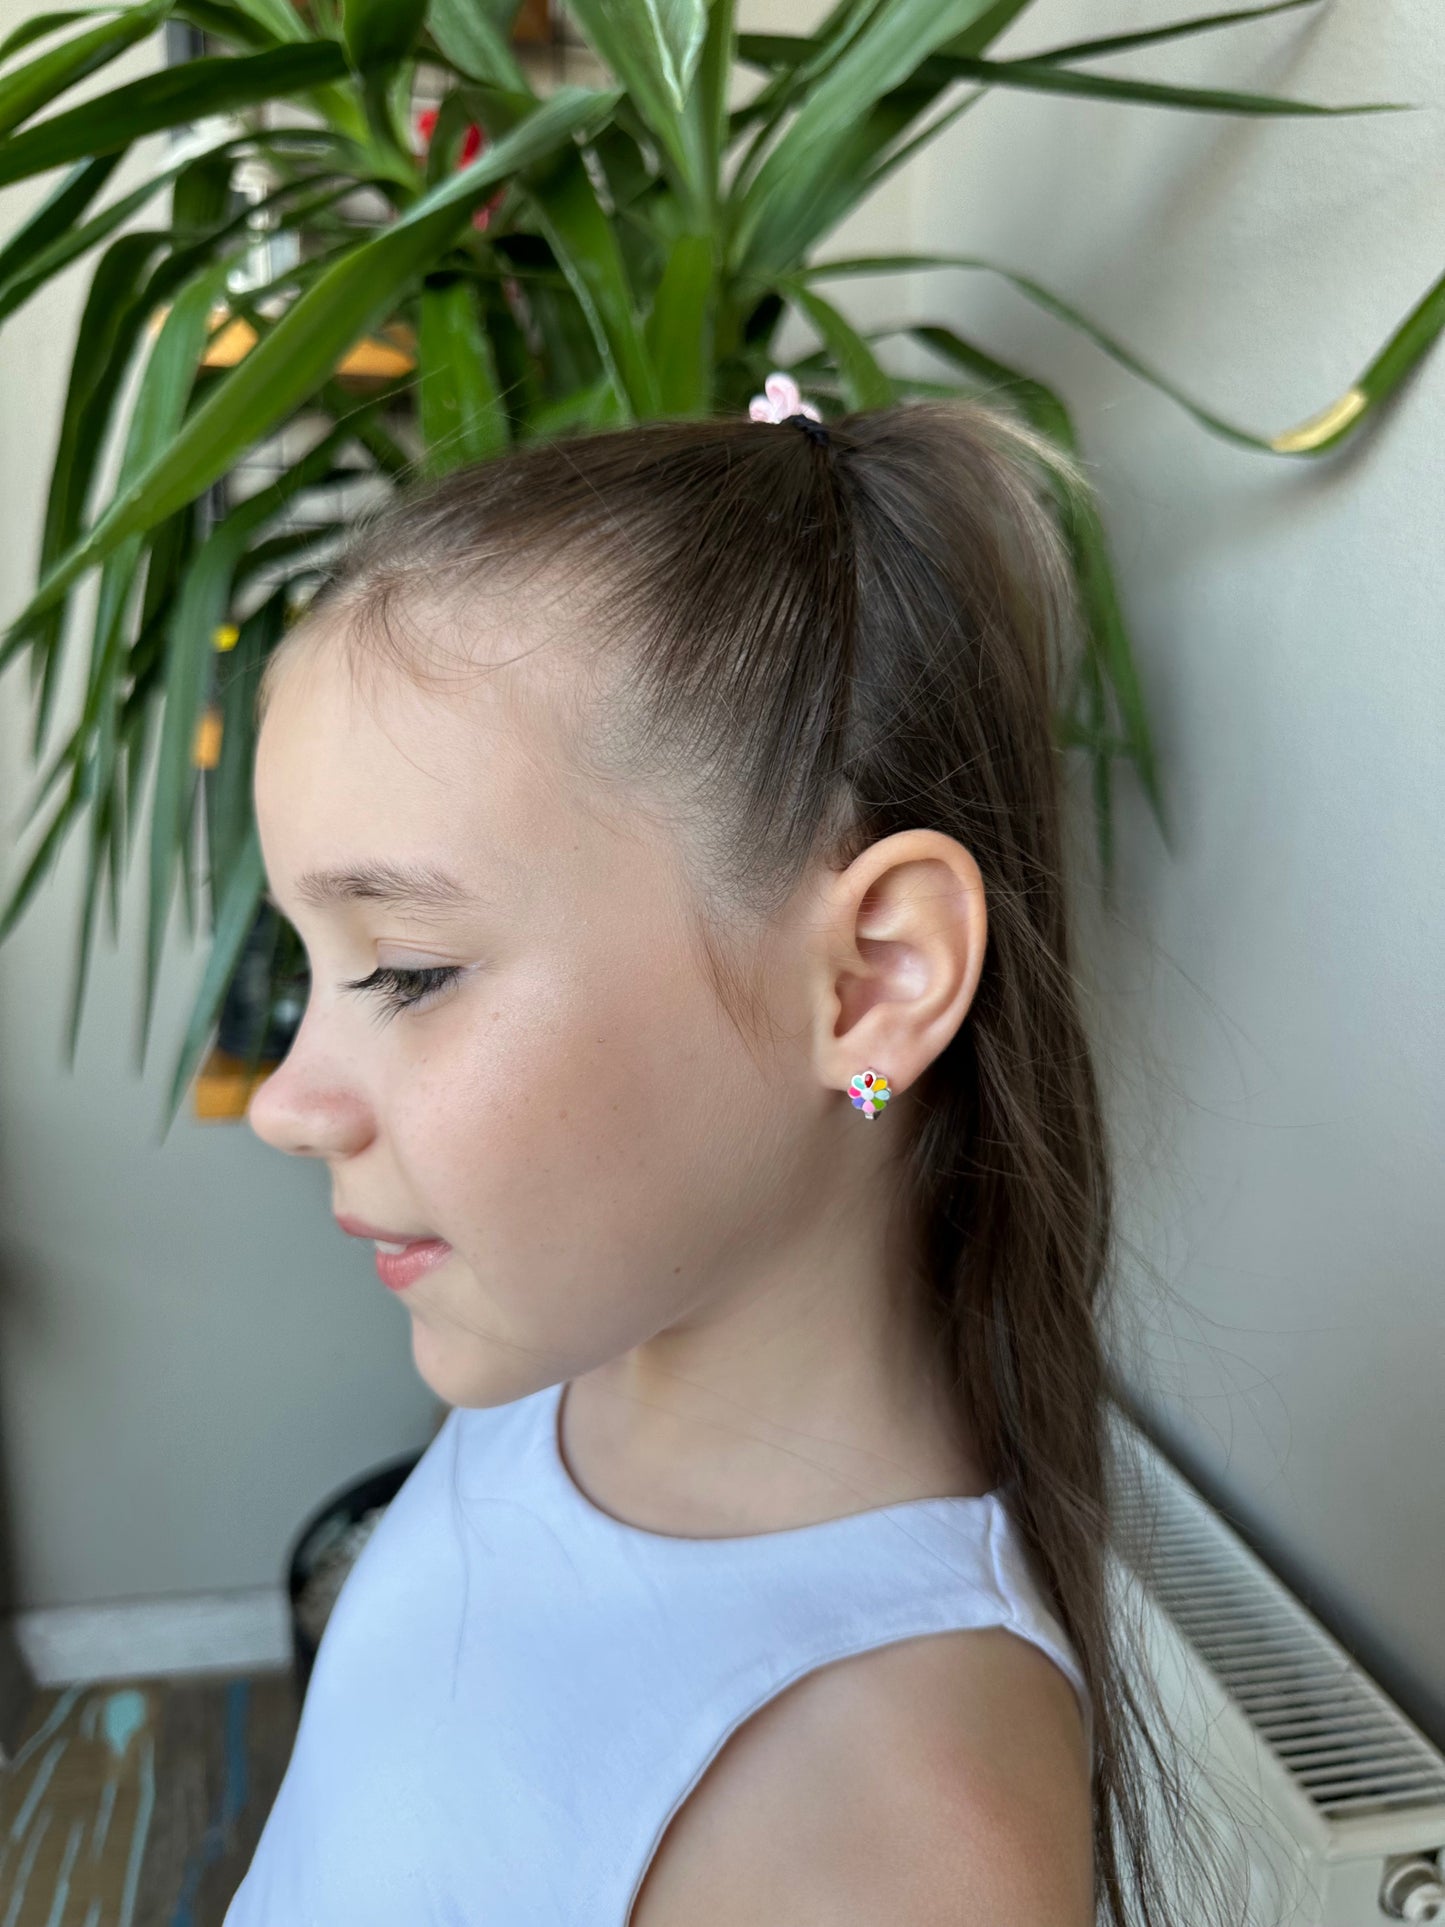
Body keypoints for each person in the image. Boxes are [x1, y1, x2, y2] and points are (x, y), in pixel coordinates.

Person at [229, 377, 1243, 1926]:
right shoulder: (570, 1372)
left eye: (410, 971)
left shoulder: (876, 1838)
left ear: (869, 982)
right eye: (310, 963)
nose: (290, 1100)